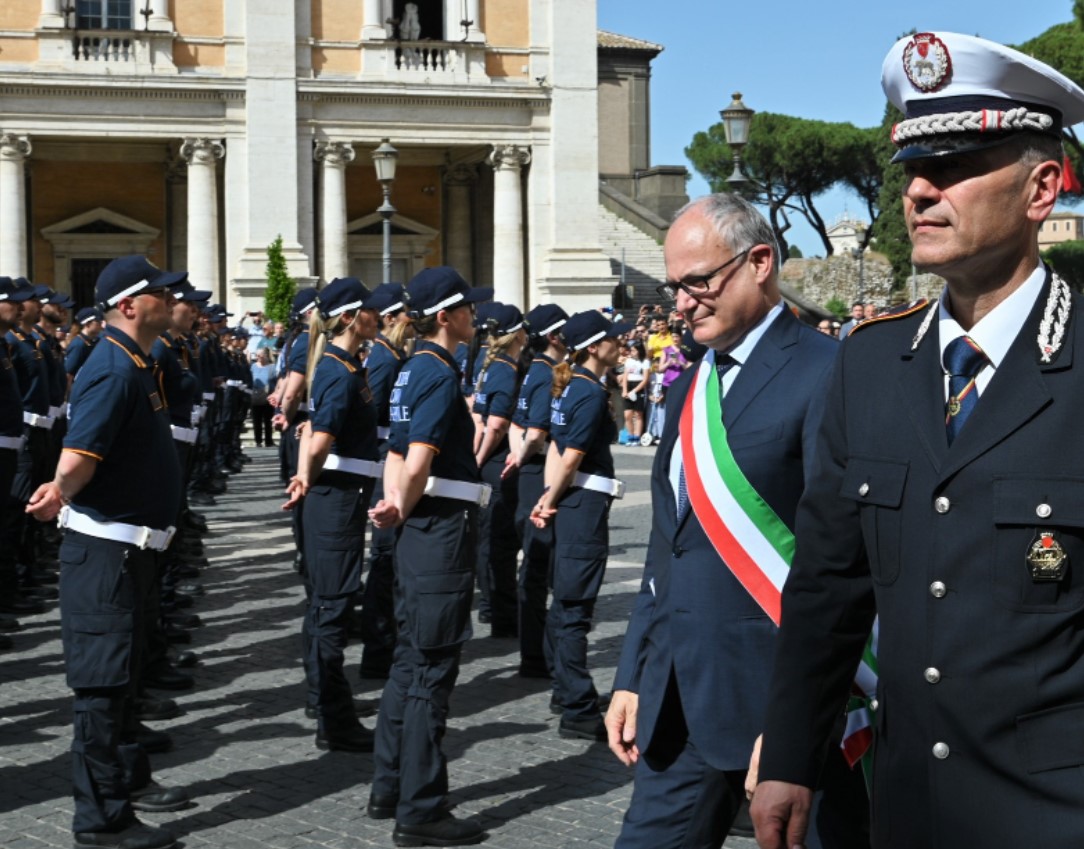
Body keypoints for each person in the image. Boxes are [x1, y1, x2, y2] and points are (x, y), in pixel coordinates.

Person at [750, 32, 1084, 849]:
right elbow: (828, 583)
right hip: (903, 806)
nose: (921, 191)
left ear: (1043, 187)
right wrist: (792, 752)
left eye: (957, 165)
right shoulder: (870, 364)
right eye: (910, 169)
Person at [604, 194, 865, 849]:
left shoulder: (828, 372)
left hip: (782, 704)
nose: (682, 302)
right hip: (678, 697)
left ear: (759, 262)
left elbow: (844, 561)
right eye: (675, 286)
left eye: (698, 282)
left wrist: (799, 721)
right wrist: (635, 671)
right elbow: (670, 544)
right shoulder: (690, 384)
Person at [26, 255, 192, 849]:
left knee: (121, 682)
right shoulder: (114, 369)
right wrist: (60, 488)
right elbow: (80, 449)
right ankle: (100, 820)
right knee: (100, 691)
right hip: (106, 554)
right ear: (129, 305)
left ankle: (126, 784)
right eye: (162, 294)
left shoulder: (137, 360)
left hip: (133, 551)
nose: (174, 302)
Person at [367, 266, 492, 847]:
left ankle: (389, 785)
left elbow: (394, 453)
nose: (475, 317)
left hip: (417, 526)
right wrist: (402, 500)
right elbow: (415, 457)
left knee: (408, 660)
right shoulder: (439, 374)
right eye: (467, 308)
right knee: (431, 670)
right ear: (446, 316)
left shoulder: (410, 368)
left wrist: (395, 505)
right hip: (439, 530)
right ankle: (421, 809)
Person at [282, 277, 385, 753]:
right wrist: (305, 476)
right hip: (336, 499)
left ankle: (327, 701)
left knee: (329, 604)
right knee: (332, 606)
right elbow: (319, 437)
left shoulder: (343, 364)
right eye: (368, 309)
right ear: (349, 318)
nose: (377, 315)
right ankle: (331, 716)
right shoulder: (338, 371)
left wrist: (306, 469)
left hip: (340, 495)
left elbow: (312, 430)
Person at [531, 309, 631, 742]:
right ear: (595, 346)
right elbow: (570, 455)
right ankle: (576, 704)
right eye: (614, 338)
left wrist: (547, 496)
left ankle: (564, 688)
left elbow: (557, 446)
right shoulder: (588, 393)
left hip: (570, 500)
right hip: (582, 504)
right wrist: (550, 497)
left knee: (565, 601)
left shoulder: (575, 385)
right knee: (574, 607)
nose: (621, 343)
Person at [504, 302, 569, 679]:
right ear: (555, 337)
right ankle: (536, 653)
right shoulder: (547, 373)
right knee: (538, 563)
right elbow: (537, 431)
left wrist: (516, 455)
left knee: (533, 562)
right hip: (538, 471)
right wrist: (526, 452)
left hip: (526, 469)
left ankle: (535, 649)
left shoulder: (534, 370)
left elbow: (517, 423)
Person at [357, 282, 413, 681]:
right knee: (384, 556)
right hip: (383, 458)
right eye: (407, 313)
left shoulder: (393, 355)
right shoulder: (384, 358)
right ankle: (378, 646)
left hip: (386, 455)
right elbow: (372, 410)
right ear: (391, 317)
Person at [473, 303, 527, 640]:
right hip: (497, 463)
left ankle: (492, 605)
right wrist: (478, 460)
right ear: (516, 334)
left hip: (485, 461)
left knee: (487, 538)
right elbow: (494, 426)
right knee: (501, 543)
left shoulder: (487, 365)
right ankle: (502, 612)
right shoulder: (506, 368)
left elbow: (476, 418)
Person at [619, 340, 650, 445]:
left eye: (633, 350)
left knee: (638, 414)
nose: (631, 352)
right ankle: (630, 435)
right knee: (627, 415)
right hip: (629, 385)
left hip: (639, 386)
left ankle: (636, 437)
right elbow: (625, 376)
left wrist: (635, 391)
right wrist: (624, 390)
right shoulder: (628, 361)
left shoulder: (645, 362)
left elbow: (645, 379)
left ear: (639, 351)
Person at [249, 347, 277, 448]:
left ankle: (268, 441)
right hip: (255, 397)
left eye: (260, 355)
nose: (258, 358)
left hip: (268, 397)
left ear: (266, 355)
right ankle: (258, 441)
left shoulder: (272, 367)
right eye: (256, 356)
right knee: (257, 421)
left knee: (268, 421)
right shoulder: (253, 367)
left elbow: (275, 382)